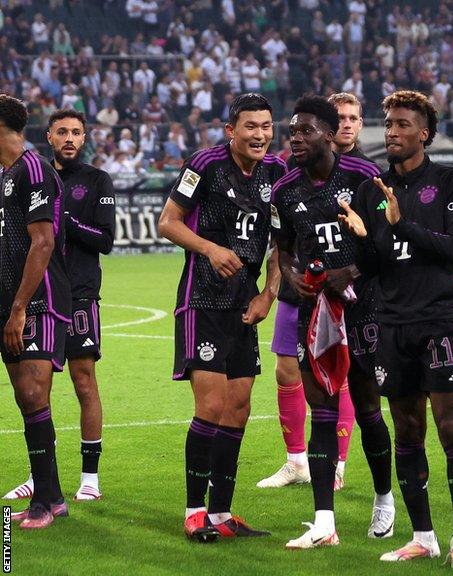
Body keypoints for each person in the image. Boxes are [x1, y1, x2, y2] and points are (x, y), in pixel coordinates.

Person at [338, 90, 453, 568]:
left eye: (402, 124)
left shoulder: (450, 181)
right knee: (408, 431)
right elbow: (374, 266)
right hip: (392, 325)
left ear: (424, 132)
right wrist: (361, 240)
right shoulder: (370, 190)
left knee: (452, 428)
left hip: (440, 320)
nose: (393, 132)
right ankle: (424, 536)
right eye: (389, 123)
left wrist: (400, 225)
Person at [158, 93, 286, 542]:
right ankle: (194, 512)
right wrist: (210, 249)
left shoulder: (277, 173)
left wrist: (268, 295)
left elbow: (281, 245)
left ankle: (222, 514)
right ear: (231, 130)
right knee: (210, 407)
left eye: (267, 126)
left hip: (244, 305)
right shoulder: (205, 165)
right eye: (250, 126)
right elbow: (168, 221)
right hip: (202, 301)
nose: (260, 135)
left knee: (238, 409)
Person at [270, 94, 392, 549]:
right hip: (314, 314)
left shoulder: (363, 176)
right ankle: (324, 522)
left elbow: (386, 243)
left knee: (367, 411)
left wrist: (351, 271)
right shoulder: (285, 190)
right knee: (322, 411)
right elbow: (282, 246)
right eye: (292, 132)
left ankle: (383, 498)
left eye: (304, 131)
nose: (295, 139)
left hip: (364, 312)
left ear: (328, 131)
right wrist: (289, 273)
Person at [4, 109, 115, 503]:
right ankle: (40, 479)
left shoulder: (96, 180)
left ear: (85, 139)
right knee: (36, 389)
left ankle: (89, 477)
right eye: (62, 132)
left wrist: (64, 220)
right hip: (43, 291)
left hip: (79, 293)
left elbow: (105, 239)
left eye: (77, 133)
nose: (70, 138)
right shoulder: (27, 175)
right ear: (48, 136)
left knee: (84, 382)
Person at [0, 94, 72, 529]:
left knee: (33, 395)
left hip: (38, 301)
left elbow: (42, 242)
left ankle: (45, 502)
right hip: (8, 302)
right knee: (26, 401)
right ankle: (53, 496)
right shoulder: (5, 174)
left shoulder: (33, 169)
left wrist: (20, 308)